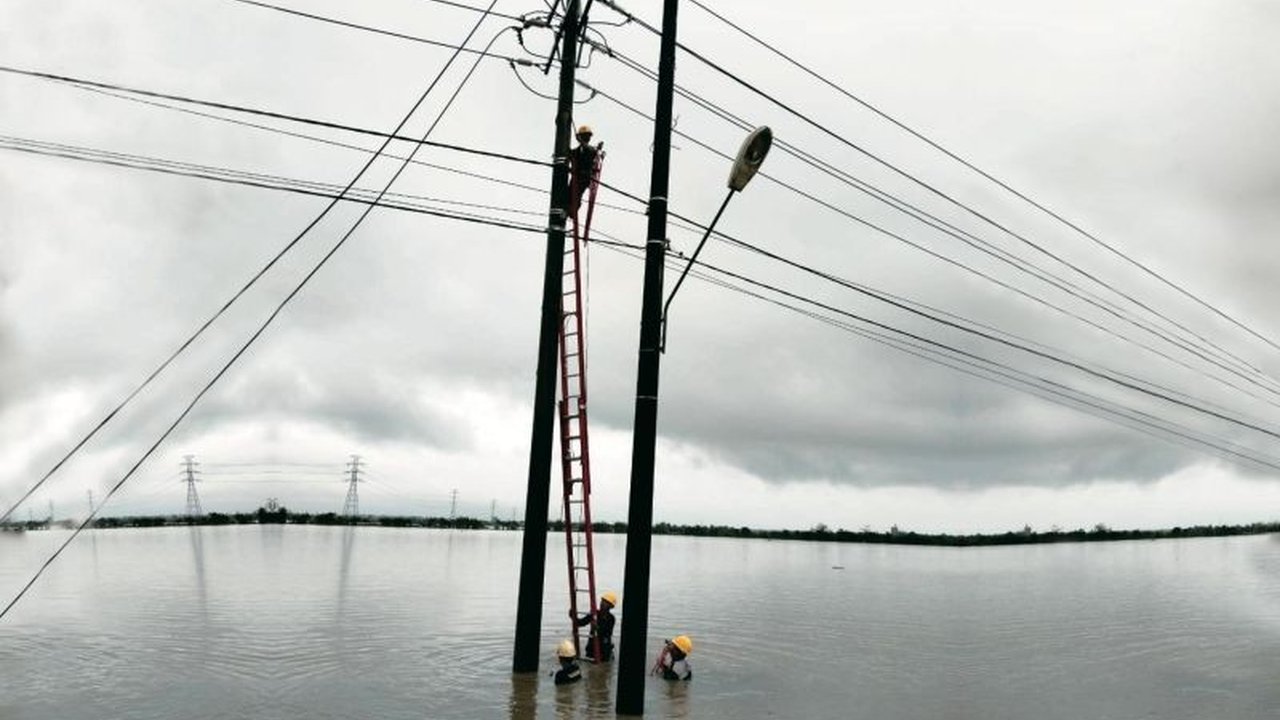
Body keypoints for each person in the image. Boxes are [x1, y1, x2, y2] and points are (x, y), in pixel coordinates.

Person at [574, 590, 617, 661]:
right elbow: (581, 623)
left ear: (610, 606)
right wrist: (573, 617)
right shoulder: (594, 614)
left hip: (604, 651)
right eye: (602, 601)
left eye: (605, 602)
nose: (602, 603)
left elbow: (608, 632)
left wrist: (597, 628)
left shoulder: (611, 618)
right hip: (591, 650)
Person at [568, 124, 601, 214]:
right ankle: (570, 210)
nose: (587, 138)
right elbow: (570, 154)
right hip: (576, 177)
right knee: (569, 194)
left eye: (588, 136)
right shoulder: (577, 151)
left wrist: (581, 141)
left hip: (584, 178)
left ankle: (573, 210)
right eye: (585, 136)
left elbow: (590, 151)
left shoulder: (591, 150)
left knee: (576, 195)